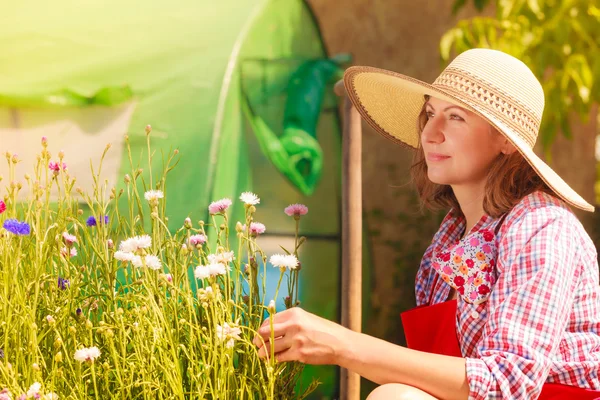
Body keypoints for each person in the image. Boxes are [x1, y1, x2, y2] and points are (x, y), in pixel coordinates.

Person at [252, 48, 600, 399]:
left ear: (505, 140)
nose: (430, 133)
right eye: (430, 113)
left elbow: (505, 385)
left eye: (456, 117)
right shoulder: (450, 236)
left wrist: (341, 344)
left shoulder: (542, 228)